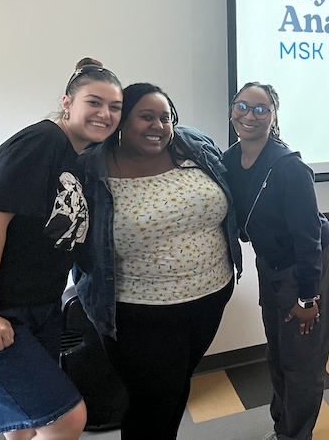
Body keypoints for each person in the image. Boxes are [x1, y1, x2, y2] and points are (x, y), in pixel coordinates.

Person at [74, 83, 242, 440]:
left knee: (178, 385)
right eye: (146, 117)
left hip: (210, 297)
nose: (158, 126)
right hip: (139, 314)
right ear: (122, 121)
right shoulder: (90, 168)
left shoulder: (192, 145)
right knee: (150, 401)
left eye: (165, 118)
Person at [0, 58, 123, 439]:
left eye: (114, 107)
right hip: (7, 311)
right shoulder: (43, 141)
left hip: (41, 309)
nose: (105, 114)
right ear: (67, 102)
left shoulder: (78, 157)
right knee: (67, 418)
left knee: (25, 426)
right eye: (94, 102)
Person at [223, 82, 329, 440]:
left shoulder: (289, 167)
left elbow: (308, 239)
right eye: (242, 106)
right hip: (270, 262)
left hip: (307, 262)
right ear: (232, 110)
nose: (250, 115)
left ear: (273, 116)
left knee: (301, 358)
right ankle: (283, 425)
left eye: (261, 109)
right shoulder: (228, 160)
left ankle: (295, 434)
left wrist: (307, 298)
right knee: (276, 350)